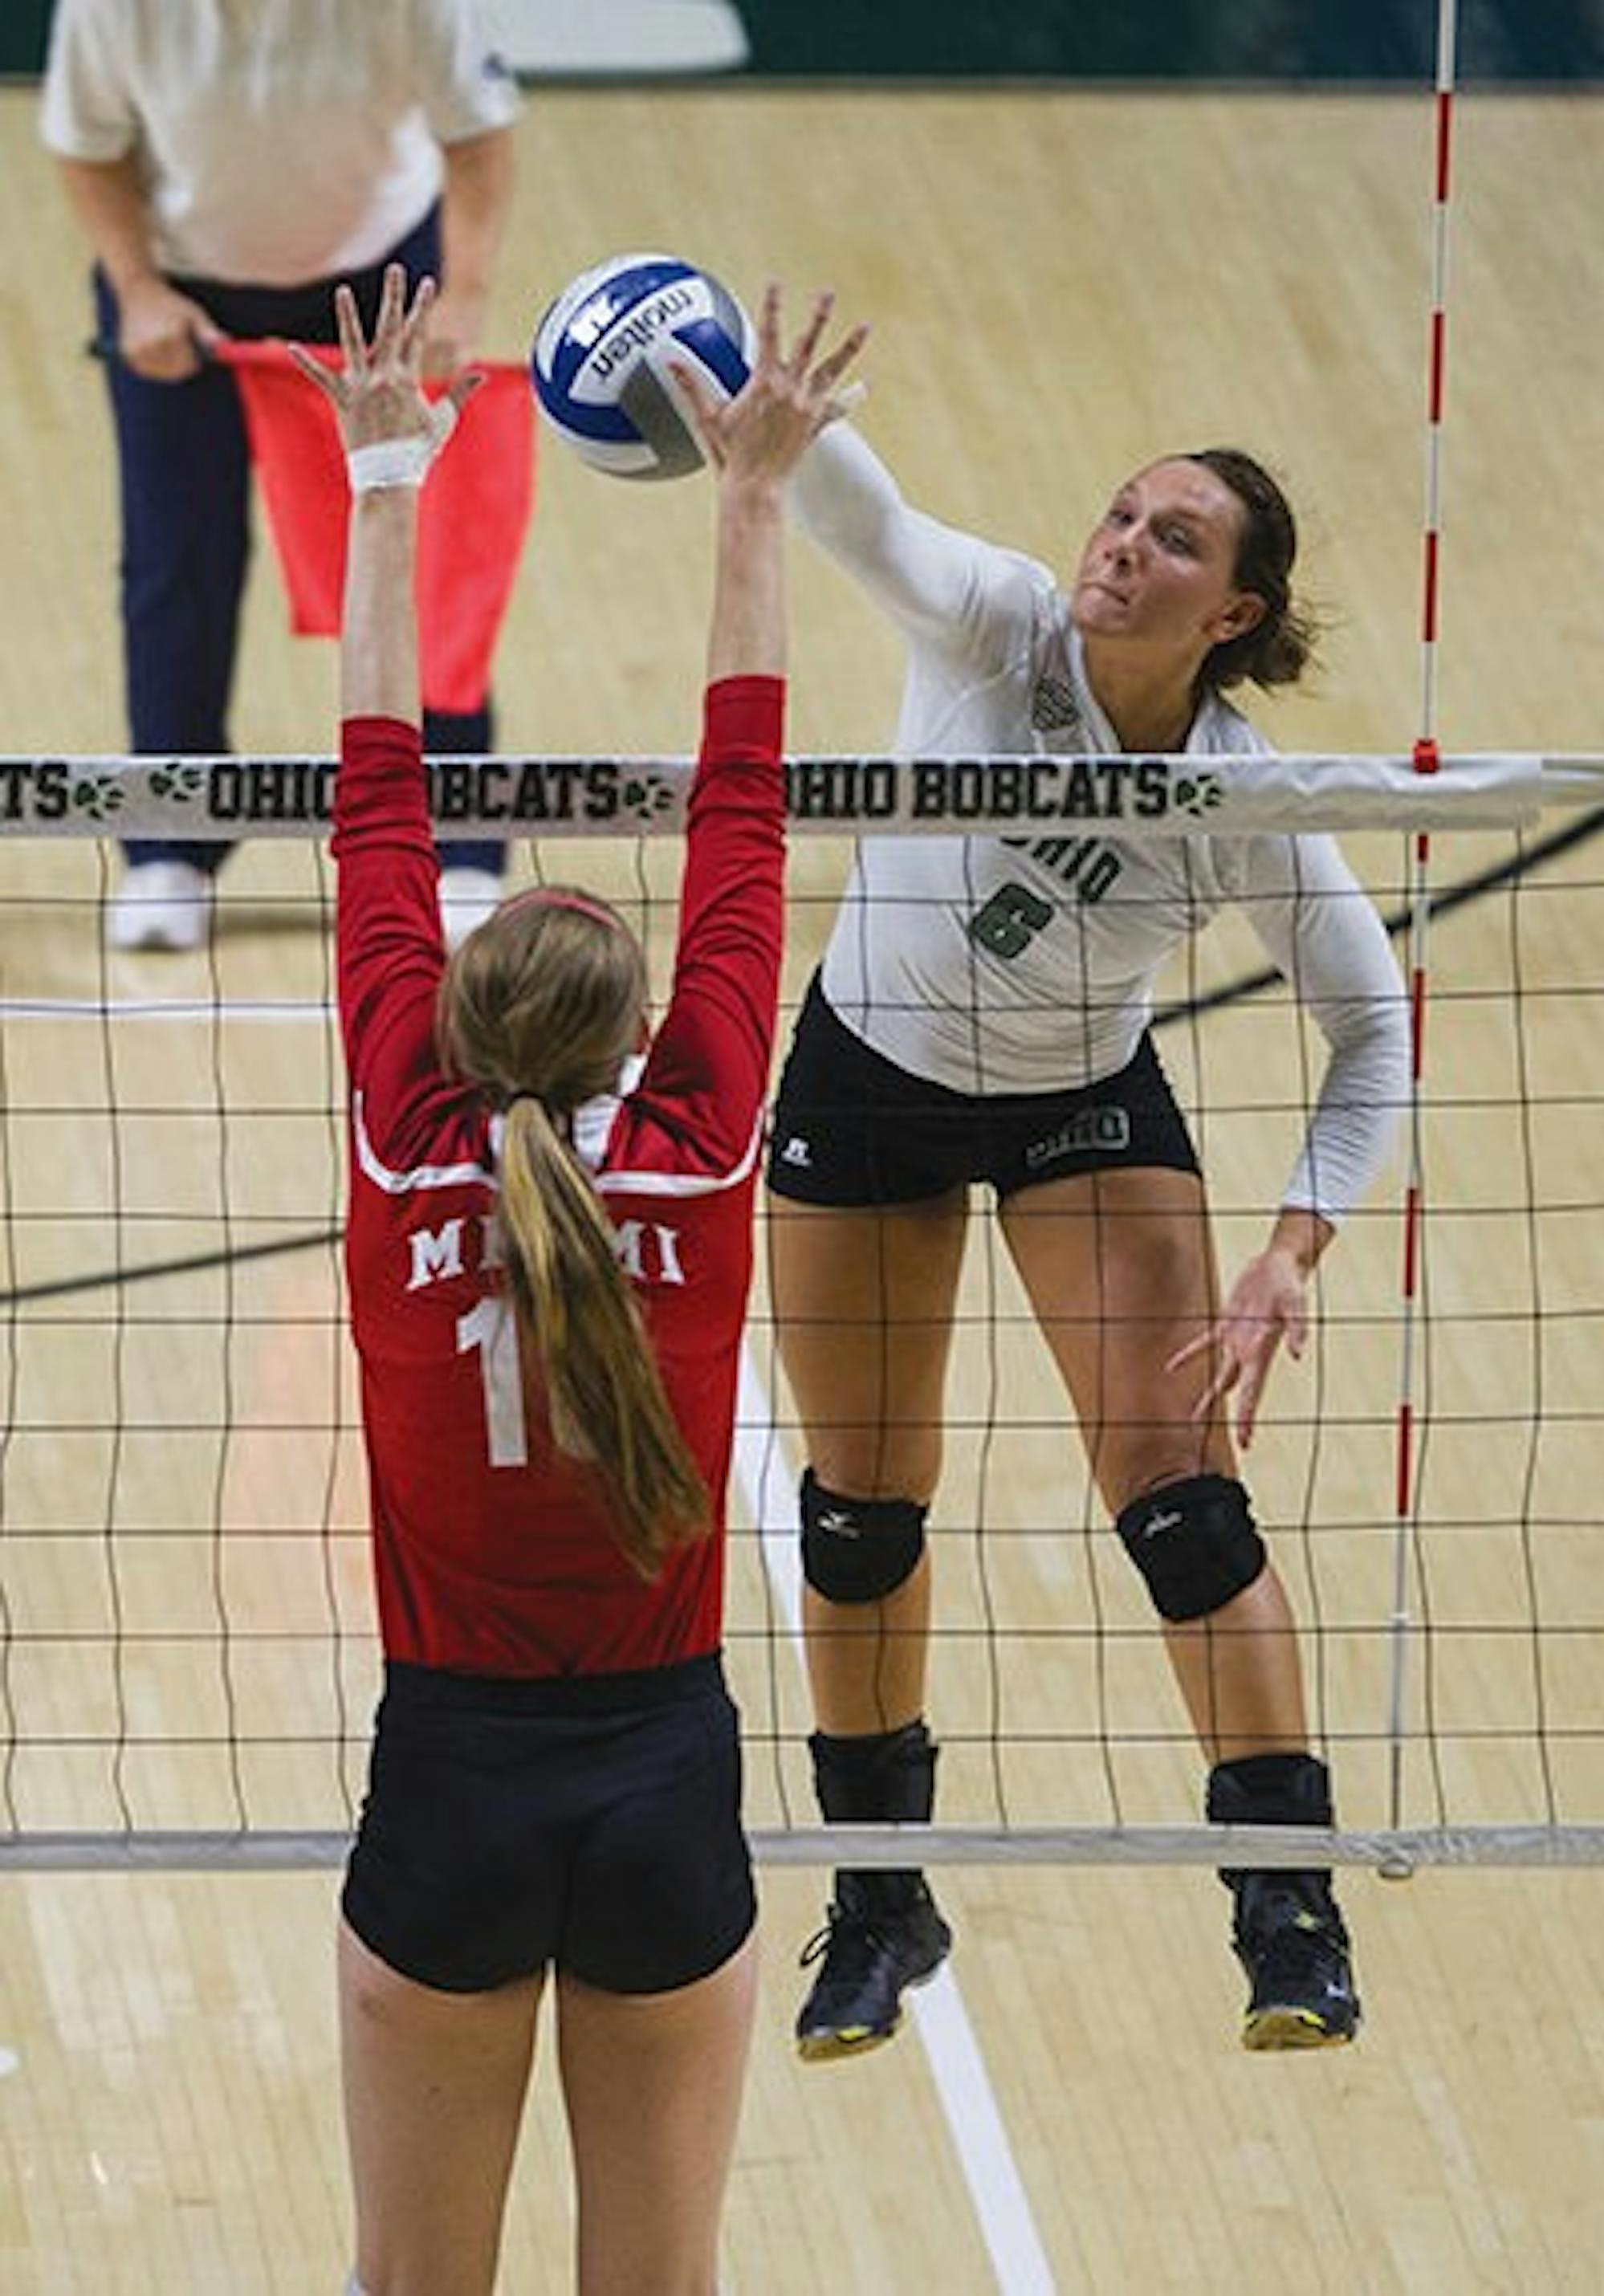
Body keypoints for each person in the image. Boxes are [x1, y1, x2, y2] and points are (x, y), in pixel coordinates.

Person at [303, 267, 865, 2296]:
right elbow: (745, 809)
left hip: (449, 1777)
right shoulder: (699, 1144)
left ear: (445, 1020)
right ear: (641, 1032)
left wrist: (386, 477)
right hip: (664, 1778)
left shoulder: (402, 1140)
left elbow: (378, 796)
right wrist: (750, 498)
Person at [767, 410, 1411, 2058]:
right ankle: (880, 1899)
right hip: (872, 1080)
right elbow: (868, 522)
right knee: (858, 1518)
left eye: (1172, 539)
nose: (1122, 544)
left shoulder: (1236, 796)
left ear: (1232, 614)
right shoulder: (995, 623)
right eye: (1121, 514)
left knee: (1185, 1508)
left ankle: (1289, 1907)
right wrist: (780, 420)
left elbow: (1371, 1025)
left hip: (1078, 1106)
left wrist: (1290, 1249)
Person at [40, 0, 519, 953]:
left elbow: (477, 136)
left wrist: (463, 296)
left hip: (379, 276)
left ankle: (456, 835)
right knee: (176, 561)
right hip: (183, 295)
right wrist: (136, 288)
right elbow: (88, 146)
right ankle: (169, 845)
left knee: (417, 556)